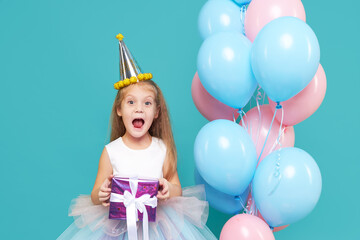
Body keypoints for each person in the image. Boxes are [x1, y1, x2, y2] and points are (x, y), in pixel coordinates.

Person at [57, 34, 217, 240]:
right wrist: (102, 193)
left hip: (159, 227)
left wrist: (168, 189)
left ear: (157, 112)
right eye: (131, 102)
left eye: (147, 103)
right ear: (119, 110)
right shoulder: (111, 152)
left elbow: (177, 189)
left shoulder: (162, 149)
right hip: (117, 228)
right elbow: (95, 194)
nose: (139, 109)